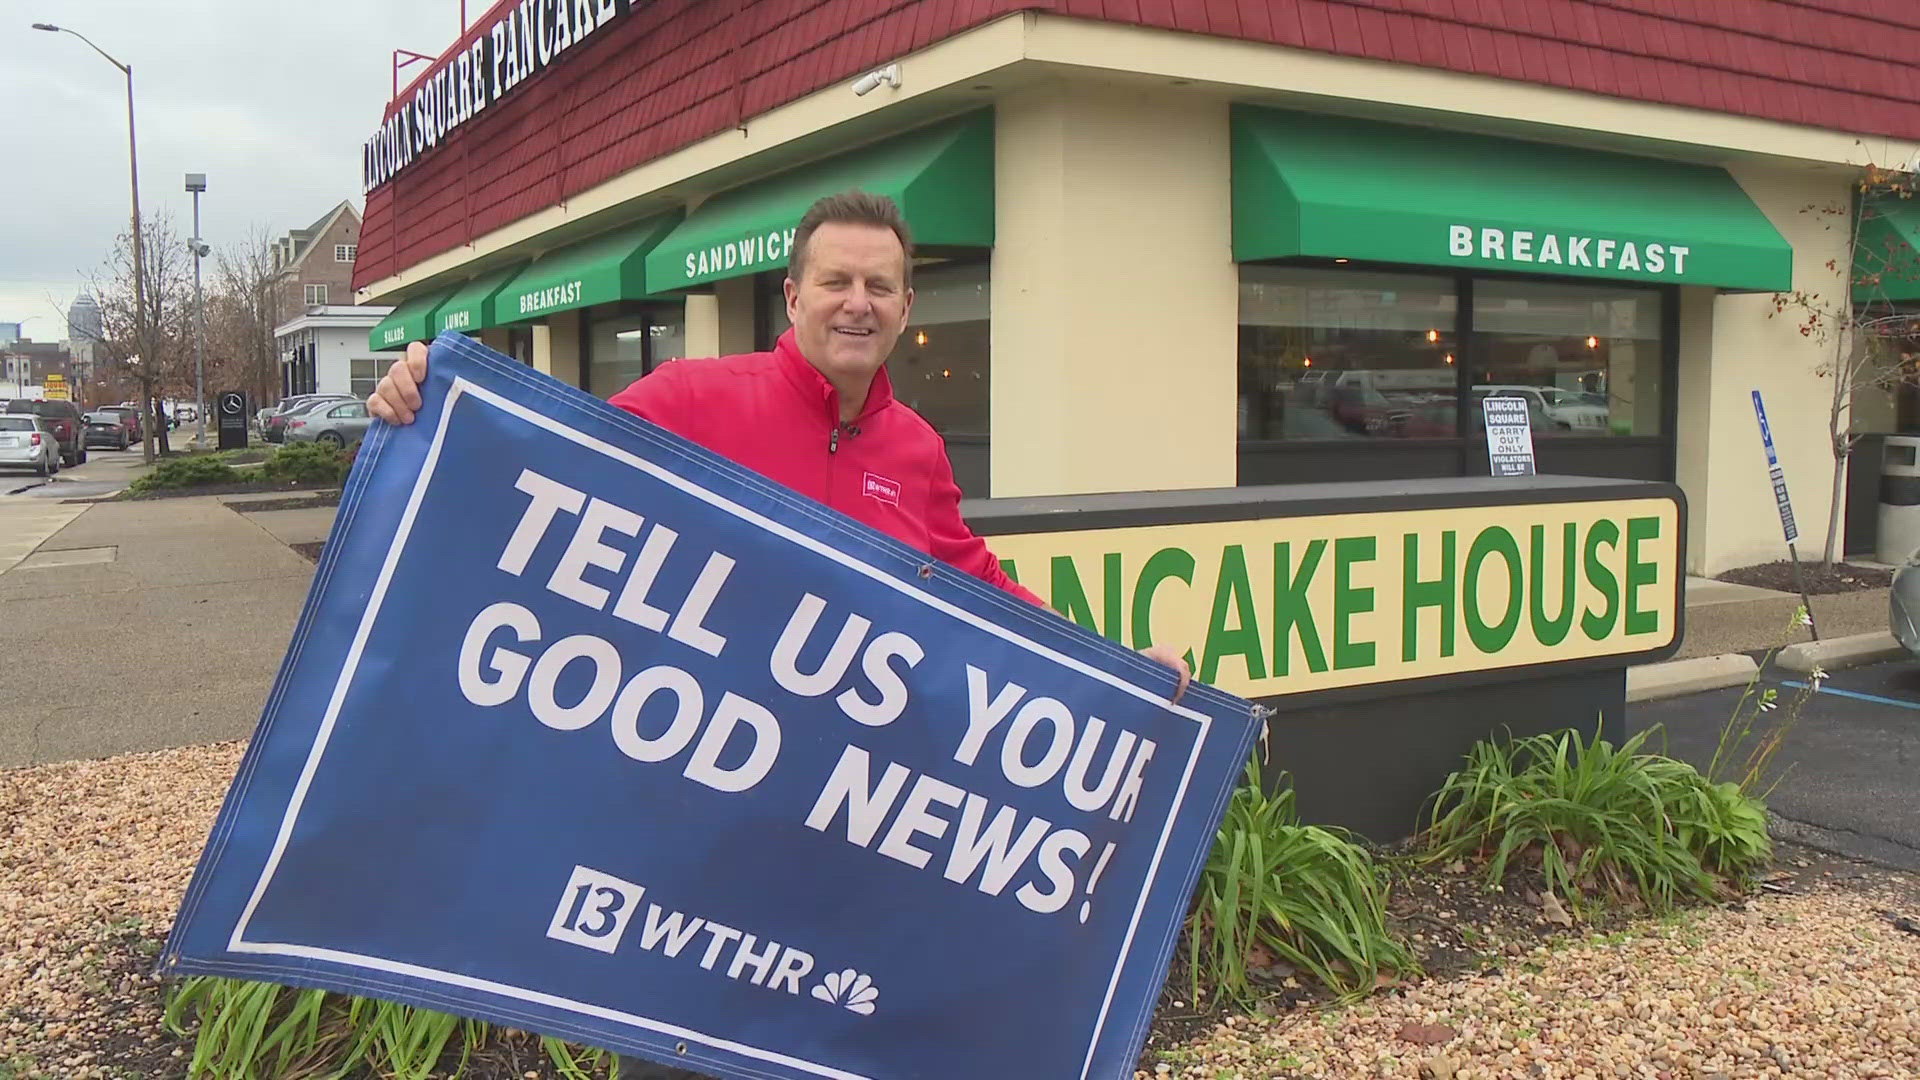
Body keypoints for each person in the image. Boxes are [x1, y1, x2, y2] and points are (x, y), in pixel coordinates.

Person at [369, 190, 1189, 1080]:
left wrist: (1115, 680)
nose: (858, 302)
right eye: (836, 280)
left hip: (837, 868)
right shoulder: (690, 399)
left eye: (880, 285)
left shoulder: (914, 450)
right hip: (684, 861)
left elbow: (979, 591)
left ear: (907, 309)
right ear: (793, 297)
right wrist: (424, 411)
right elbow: (545, 474)